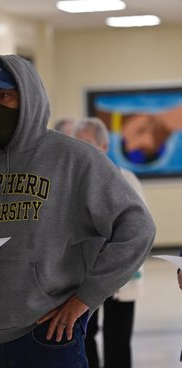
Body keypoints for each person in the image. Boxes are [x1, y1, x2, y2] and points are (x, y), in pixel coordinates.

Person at [0, 54, 156, 367]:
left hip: (47, 333)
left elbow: (137, 228)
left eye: (4, 96)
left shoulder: (75, 159)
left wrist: (85, 299)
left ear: (28, 97)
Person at [75, 117, 147, 368]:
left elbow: (140, 230)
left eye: (87, 143)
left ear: (104, 146)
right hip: (84, 278)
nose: (82, 149)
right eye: (77, 143)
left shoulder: (125, 179)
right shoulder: (75, 182)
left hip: (120, 277)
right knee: (84, 338)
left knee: (117, 340)